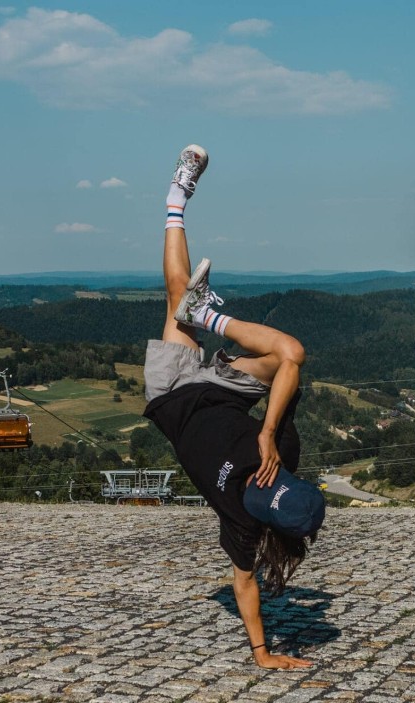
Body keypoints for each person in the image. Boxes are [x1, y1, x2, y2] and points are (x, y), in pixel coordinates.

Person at [143, 145, 325, 669]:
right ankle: (206, 314)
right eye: (272, 483)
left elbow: (244, 584)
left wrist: (263, 653)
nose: (258, 483)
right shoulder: (281, 455)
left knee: (174, 291)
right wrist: (267, 432)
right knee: (291, 353)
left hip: (173, 395)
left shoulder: (242, 524)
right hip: (223, 388)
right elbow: (288, 380)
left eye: (258, 494)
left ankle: (176, 197)